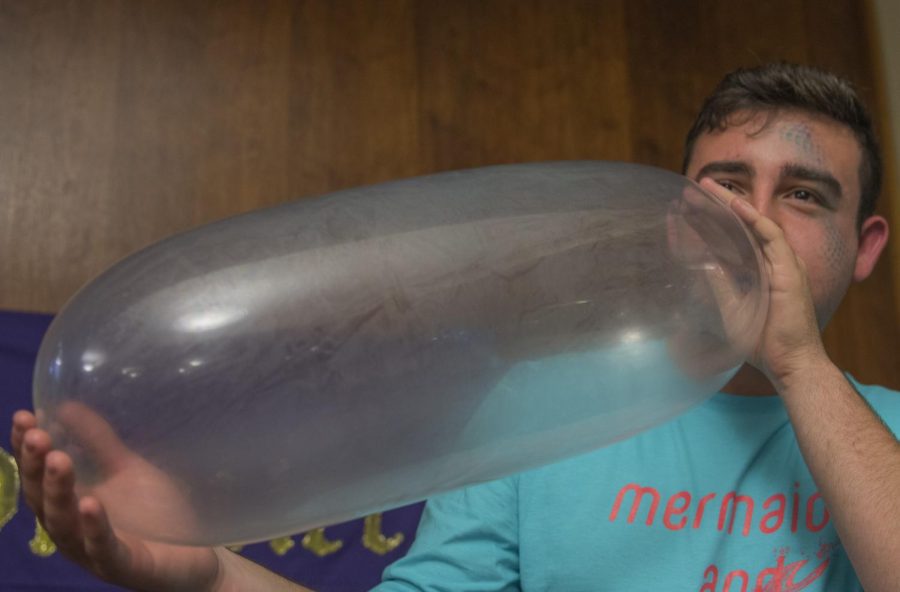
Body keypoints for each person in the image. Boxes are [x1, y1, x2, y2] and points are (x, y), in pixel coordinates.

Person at [10, 62, 900, 591]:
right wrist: (203, 574)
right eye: (726, 186)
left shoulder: (888, 435)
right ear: (677, 218)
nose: (753, 221)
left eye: (804, 195)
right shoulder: (542, 405)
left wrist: (796, 362)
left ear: (864, 248)